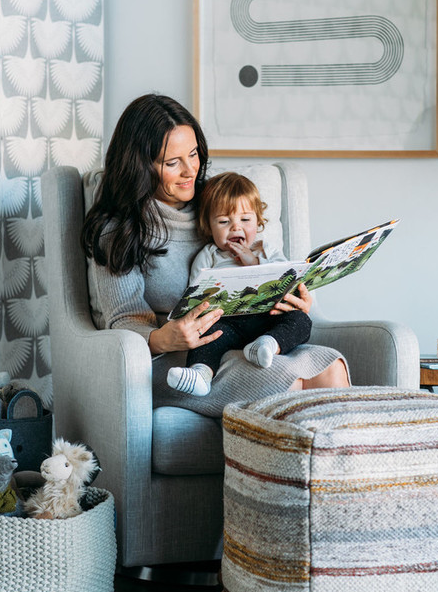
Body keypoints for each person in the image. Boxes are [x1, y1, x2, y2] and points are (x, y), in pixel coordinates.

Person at [81, 94, 349, 419]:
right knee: (283, 382)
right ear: (141, 165)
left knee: (331, 367)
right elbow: (122, 322)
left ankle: (333, 469)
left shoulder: (215, 203)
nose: (189, 170)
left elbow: (262, 258)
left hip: (243, 337)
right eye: (172, 163)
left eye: (193, 154)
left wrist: (291, 299)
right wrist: (163, 339)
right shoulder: (118, 228)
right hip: (178, 360)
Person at [167, 172, 313, 396]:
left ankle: (267, 345)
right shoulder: (209, 256)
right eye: (224, 222)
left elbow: (286, 278)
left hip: (267, 319)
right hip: (227, 324)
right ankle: (200, 374)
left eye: (245, 220)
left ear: (258, 221)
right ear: (209, 226)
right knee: (207, 335)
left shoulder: (267, 250)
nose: (236, 228)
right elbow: (194, 297)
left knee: (301, 320)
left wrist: (253, 262)